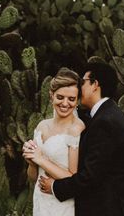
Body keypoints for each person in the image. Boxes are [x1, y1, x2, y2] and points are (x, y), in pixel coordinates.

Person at [38, 61, 124, 216]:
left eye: (82, 82)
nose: (79, 87)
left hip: (109, 209)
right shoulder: (106, 114)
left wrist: (55, 187)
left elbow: (90, 176)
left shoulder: (106, 121)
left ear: (94, 84)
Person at [22, 67, 85, 216]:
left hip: (62, 204)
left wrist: (40, 159)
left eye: (71, 99)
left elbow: (73, 178)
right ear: (51, 96)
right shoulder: (41, 126)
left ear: (77, 101)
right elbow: (33, 178)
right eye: (60, 97)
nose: (65, 103)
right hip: (41, 200)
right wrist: (31, 162)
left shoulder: (76, 128)